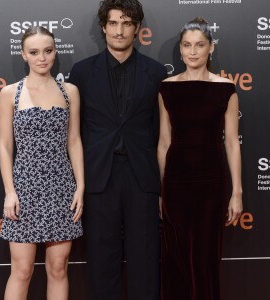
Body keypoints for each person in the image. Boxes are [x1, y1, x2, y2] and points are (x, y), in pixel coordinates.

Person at [68, 0, 167, 299]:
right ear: (103, 27)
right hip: (99, 177)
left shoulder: (156, 72)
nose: (119, 30)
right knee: (101, 262)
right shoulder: (82, 72)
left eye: (126, 23)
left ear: (137, 28)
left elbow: (161, 131)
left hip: (142, 177)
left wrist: (162, 184)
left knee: (146, 261)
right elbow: (75, 131)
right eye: (113, 23)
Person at [158, 17, 243, 300]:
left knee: (205, 258)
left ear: (211, 48)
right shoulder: (166, 88)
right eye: (187, 45)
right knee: (177, 258)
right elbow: (164, 141)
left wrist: (237, 192)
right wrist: (161, 190)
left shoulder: (226, 88)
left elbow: (232, 143)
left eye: (199, 45)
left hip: (211, 183)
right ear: (181, 49)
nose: (192, 51)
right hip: (176, 183)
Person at [0, 26, 84, 300]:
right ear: (24, 54)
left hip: (61, 188)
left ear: (55, 52)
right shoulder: (10, 93)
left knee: (58, 268)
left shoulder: (70, 91)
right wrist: (10, 192)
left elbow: (74, 141)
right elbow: (5, 146)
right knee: (22, 269)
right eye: (34, 52)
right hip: (24, 189)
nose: (42, 58)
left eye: (47, 51)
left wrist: (80, 187)